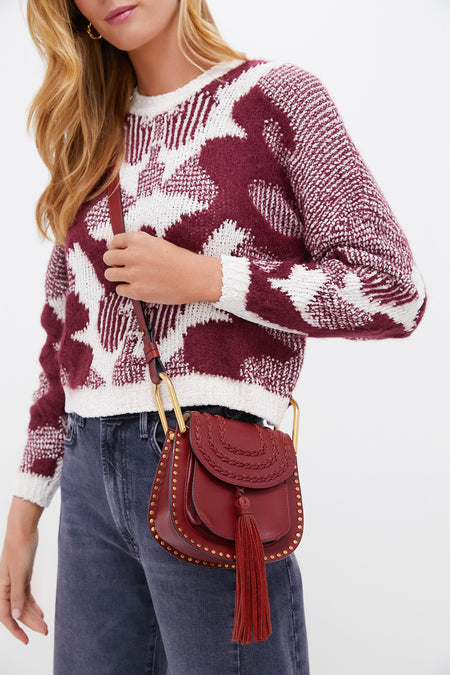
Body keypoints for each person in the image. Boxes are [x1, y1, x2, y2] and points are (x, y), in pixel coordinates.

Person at [0, 0, 427, 673]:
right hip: (86, 485)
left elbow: (394, 291)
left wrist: (209, 278)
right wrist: (26, 507)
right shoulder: (93, 137)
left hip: (215, 469)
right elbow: (63, 348)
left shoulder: (276, 98)